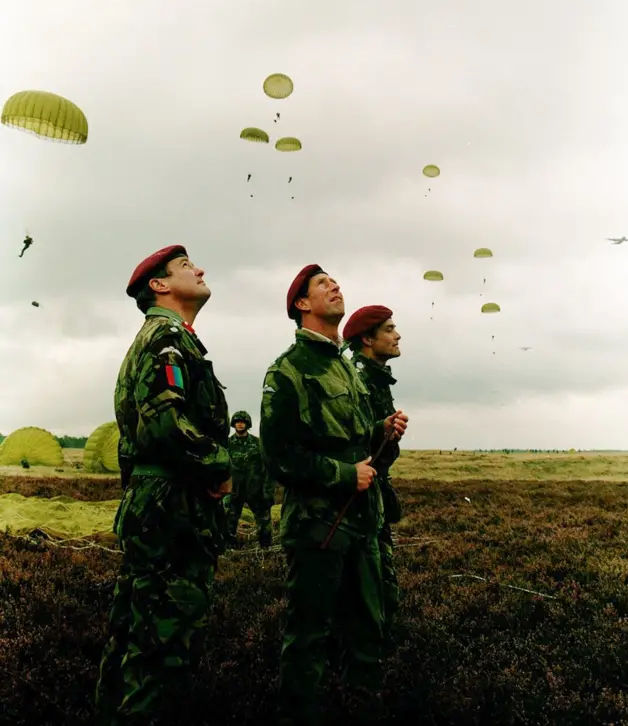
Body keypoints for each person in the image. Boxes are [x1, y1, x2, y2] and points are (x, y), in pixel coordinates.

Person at [260, 264, 408, 725]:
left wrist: (381, 432)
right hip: (317, 527)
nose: (335, 286)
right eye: (323, 284)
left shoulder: (345, 369)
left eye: (335, 281)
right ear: (302, 305)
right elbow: (279, 456)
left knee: (367, 631)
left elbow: (355, 439)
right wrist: (343, 475)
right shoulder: (288, 370)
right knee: (309, 638)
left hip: (361, 523)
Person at [95, 244, 232, 726]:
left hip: (158, 506)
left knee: (135, 637)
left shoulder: (167, 339)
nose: (199, 269)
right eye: (185, 267)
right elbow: (163, 427)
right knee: (165, 650)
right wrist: (218, 466)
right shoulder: (166, 341)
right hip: (172, 511)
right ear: (160, 285)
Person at [342, 306, 403, 653]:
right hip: (358, 499)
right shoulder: (361, 379)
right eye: (389, 329)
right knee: (369, 589)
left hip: (371, 495)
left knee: (378, 587)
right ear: (367, 339)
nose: (397, 336)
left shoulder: (375, 377)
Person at [225, 410, 275, 548]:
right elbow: (223, 468)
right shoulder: (228, 444)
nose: (240, 424)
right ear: (234, 424)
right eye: (237, 422)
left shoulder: (258, 444)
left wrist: (268, 490)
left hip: (255, 488)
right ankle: (229, 551)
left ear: (247, 424)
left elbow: (267, 468)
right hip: (235, 489)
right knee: (230, 519)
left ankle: (266, 549)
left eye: (242, 422)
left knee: (264, 520)